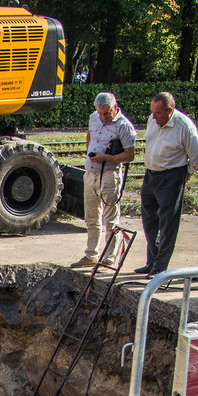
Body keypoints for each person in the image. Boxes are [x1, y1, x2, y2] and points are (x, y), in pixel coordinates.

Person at [136, 92, 198, 278]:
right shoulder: (152, 120)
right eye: (152, 112)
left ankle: (161, 266)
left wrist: (185, 175)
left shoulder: (184, 126)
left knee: (168, 223)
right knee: (149, 220)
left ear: (170, 110)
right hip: (151, 175)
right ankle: (152, 261)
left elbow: (195, 157)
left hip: (171, 176)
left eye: (158, 113)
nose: (153, 117)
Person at [71, 92, 136, 269]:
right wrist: (90, 153)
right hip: (91, 173)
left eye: (107, 113)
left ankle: (109, 257)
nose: (103, 117)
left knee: (110, 219)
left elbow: (129, 155)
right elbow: (89, 135)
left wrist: (105, 157)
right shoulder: (94, 117)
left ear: (115, 107)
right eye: (100, 113)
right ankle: (91, 254)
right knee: (91, 217)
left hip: (109, 173)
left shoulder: (124, 126)